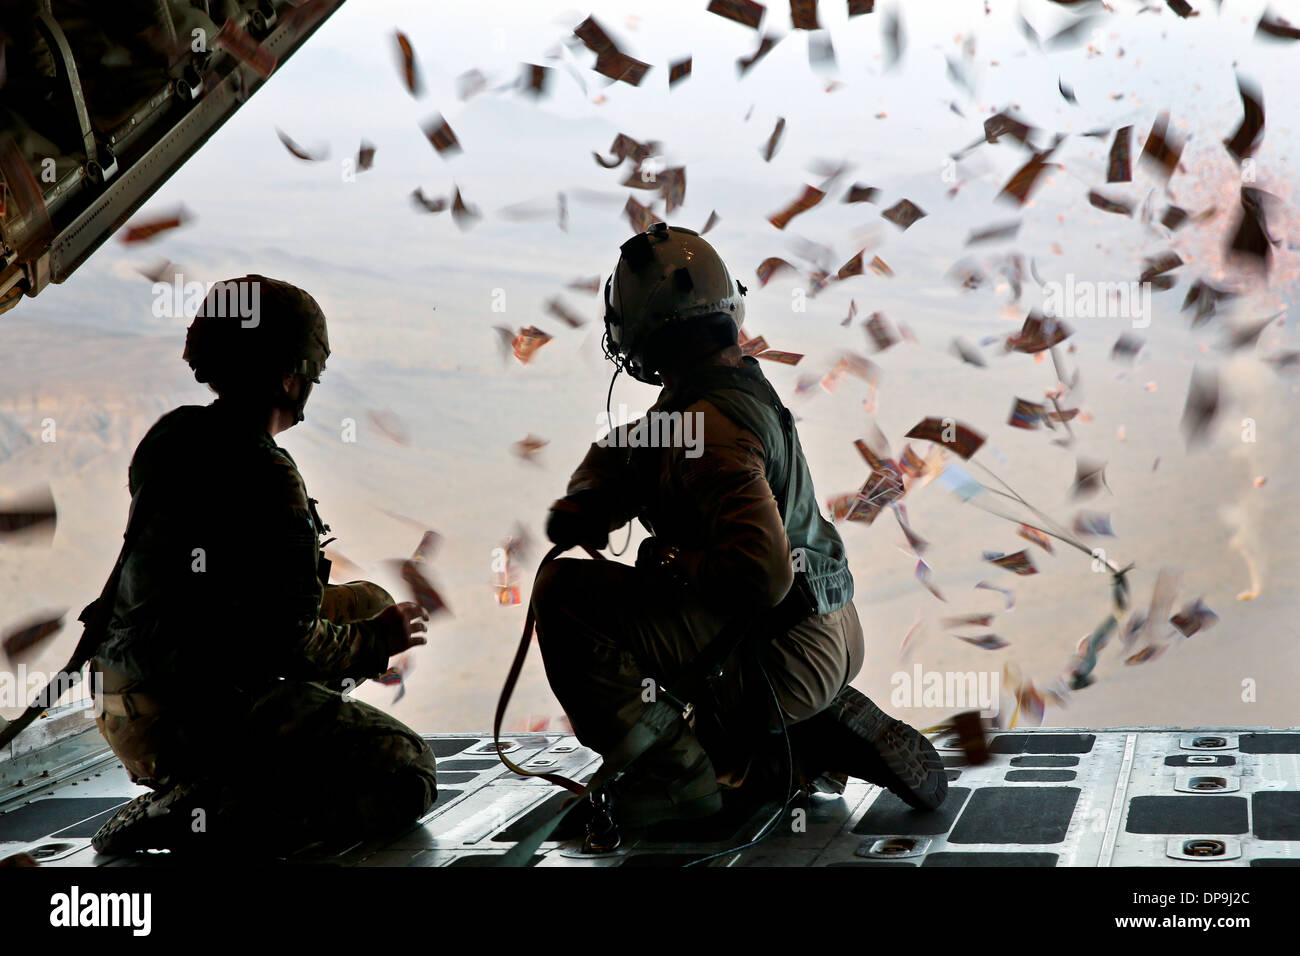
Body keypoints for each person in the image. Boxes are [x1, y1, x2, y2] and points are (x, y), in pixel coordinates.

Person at [532, 224, 946, 830]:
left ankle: (673, 784)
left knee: (564, 595)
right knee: (711, 720)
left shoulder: (709, 427)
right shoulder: (726, 393)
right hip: (824, 631)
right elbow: (635, 448)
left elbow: (761, 575)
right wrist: (592, 494)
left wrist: (670, 563)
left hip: (783, 653)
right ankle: (799, 745)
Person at [89, 275, 437, 856]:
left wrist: (370, 626)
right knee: (408, 773)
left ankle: (237, 769)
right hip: (183, 717)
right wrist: (378, 643)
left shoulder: (173, 435)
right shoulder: (266, 475)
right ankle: (213, 801)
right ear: (289, 375)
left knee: (369, 601)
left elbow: (238, 600)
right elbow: (287, 642)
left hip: (124, 692)